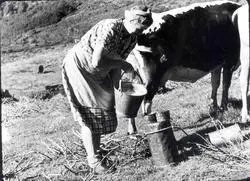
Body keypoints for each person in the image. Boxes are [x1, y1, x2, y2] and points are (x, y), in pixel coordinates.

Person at [62, 5, 152, 173]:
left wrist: (120, 87)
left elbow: (116, 64)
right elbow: (97, 61)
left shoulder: (132, 38)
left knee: (103, 111)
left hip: (101, 71)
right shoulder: (110, 28)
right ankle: (94, 161)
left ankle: (97, 152)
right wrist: (125, 65)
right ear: (132, 21)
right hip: (82, 66)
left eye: (144, 30)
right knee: (90, 114)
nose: (141, 33)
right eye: (141, 28)